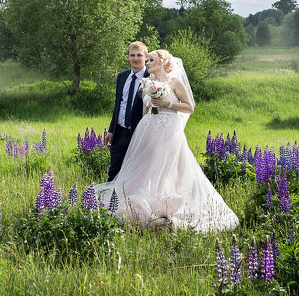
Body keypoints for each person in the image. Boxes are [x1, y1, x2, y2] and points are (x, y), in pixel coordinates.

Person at [96, 49, 239, 232]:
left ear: (162, 62)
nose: (146, 64)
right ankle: (149, 204)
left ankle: (166, 206)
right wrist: (146, 117)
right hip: (149, 128)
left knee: (165, 167)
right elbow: (144, 111)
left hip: (169, 130)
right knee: (148, 166)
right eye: (146, 61)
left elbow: (189, 108)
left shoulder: (174, 82)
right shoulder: (148, 83)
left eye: (151, 60)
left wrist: (167, 104)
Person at [104, 41, 148, 181]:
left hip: (139, 134)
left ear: (146, 56)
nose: (135, 58)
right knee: (113, 173)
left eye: (139, 55)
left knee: (136, 175)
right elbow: (118, 105)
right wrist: (111, 130)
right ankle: (110, 202)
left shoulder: (152, 78)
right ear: (128, 57)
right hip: (120, 132)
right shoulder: (122, 76)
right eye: (132, 55)